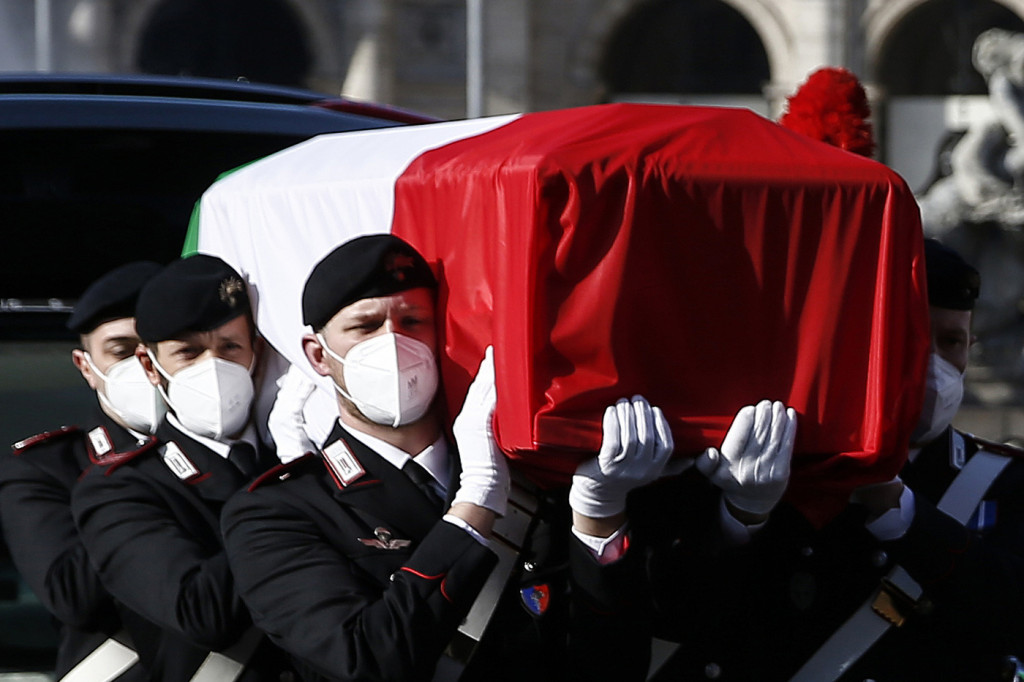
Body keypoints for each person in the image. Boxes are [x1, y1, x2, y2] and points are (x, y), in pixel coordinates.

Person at [221, 235, 671, 681]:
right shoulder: (272, 513)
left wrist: (599, 519)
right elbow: (366, 661)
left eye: (413, 320)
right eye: (365, 326)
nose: (393, 342)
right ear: (318, 355)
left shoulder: (528, 474)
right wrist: (475, 500)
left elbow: (613, 664)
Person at [651, 238, 1024, 680]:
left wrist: (895, 505)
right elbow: (679, 616)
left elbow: (1009, 617)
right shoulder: (770, 459)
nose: (934, 365)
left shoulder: (1004, 480)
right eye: (913, 340)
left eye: (952, 342)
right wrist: (741, 516)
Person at [71, 254, 294, 681]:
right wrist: (290, 497)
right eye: (188, 352)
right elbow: (201, 613)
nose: (212, 368)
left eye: (230, 347)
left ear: (257, 353)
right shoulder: (121, 488)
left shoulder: (298, 463)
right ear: (150, 367)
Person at [0, 261, 163, 681]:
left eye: (157, 347)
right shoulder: (47, 468)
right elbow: (74, 597)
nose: (143, 365)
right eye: (122, 350)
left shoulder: (244, 458)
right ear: (86, 366)